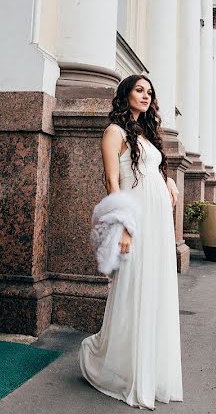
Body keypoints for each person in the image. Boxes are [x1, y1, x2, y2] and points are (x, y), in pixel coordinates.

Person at [80, 75, 183, 409]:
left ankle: (150, 370)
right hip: (135, 220)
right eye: (139, 90)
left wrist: (168, 179)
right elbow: (113, 182)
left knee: (155, 289)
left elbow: (150, 167)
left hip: (157, 223)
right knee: (132, 289)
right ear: (125, 94)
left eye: (150, 92)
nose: (146, 95)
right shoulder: (114, 132)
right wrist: (124, 226)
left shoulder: (147, 135)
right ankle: (117, 366)